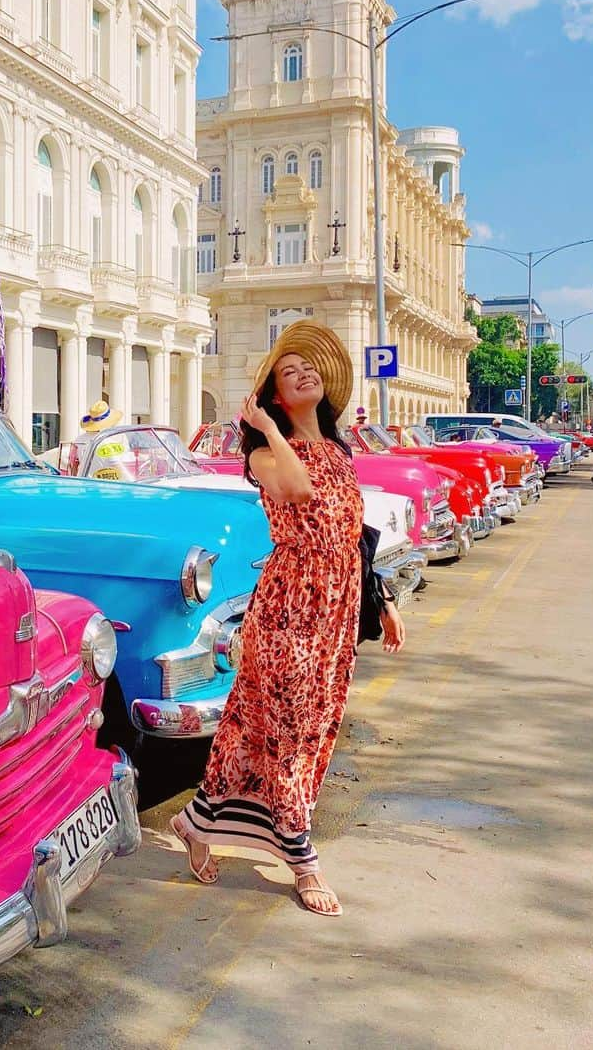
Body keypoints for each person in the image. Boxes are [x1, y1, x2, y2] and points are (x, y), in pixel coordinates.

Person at [170, 322, 405, 917]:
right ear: (274, 394)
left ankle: (197, 821)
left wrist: (383, 602)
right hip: (290, 602)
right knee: (290, 722)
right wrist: (271, 429)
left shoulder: (339, 452)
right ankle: (301, 856)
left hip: (338, 604)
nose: (303, 374)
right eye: (288, 370)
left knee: (272, 722)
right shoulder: (265, 453)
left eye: (309, 368)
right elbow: (298, 493)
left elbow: (354, 536)